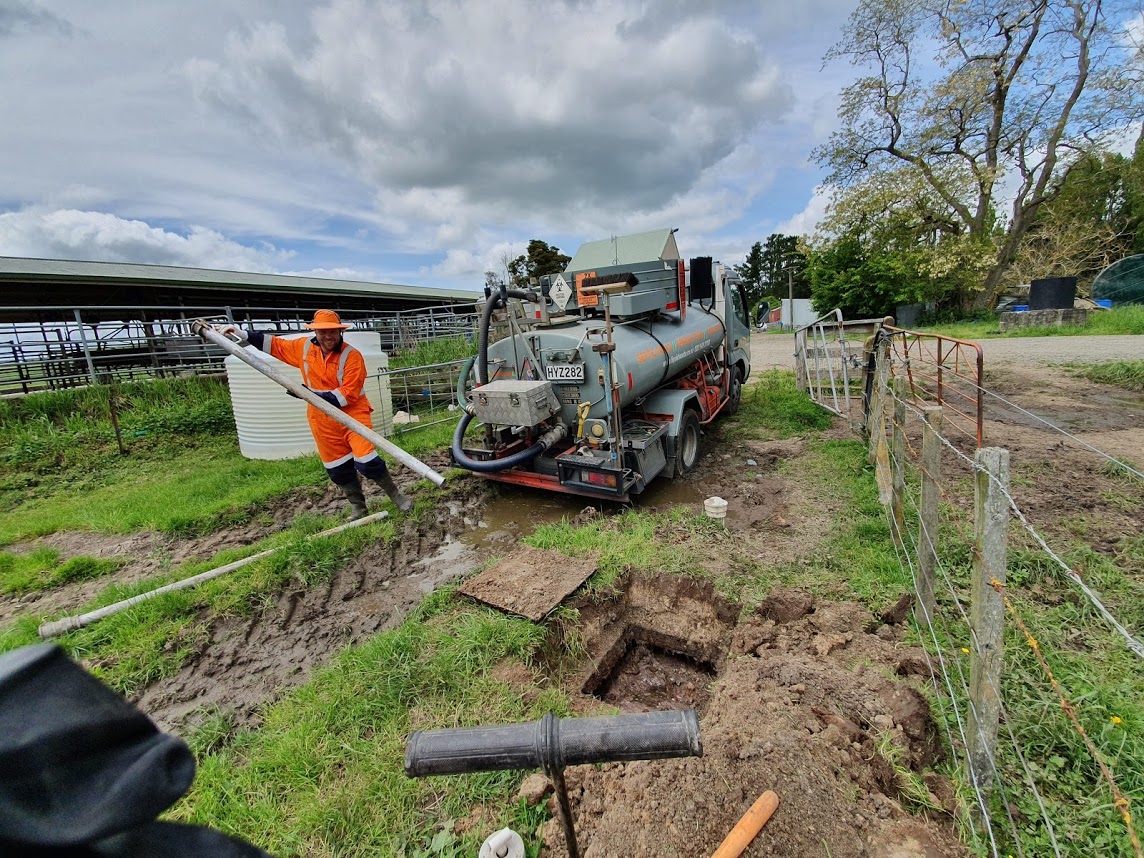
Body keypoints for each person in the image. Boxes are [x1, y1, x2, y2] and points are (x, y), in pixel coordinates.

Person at [217, 310, 412, 517]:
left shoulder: (352, 356)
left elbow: (348, 395)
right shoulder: (304, 348)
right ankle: (358, 507)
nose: (328, 337)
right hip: (322, 420)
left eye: (332, 332)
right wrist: (241, 333)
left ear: (340, 332)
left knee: (367, 462)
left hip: (352, 416)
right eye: (322, 332)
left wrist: (310, 394)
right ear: (315, 332)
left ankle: (396, 496)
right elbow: (274, 346)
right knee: (338, 469)